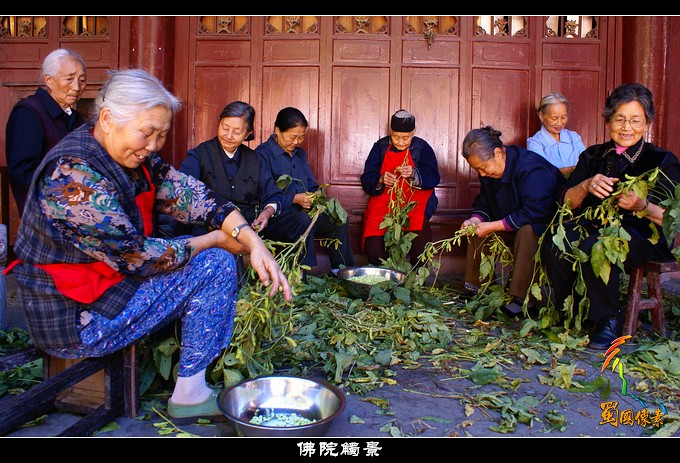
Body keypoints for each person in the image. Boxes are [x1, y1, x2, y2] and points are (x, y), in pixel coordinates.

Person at [9, 68, 292, 420]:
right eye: (147, 133)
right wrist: (217, 239)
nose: (154, 146)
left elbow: (197, 197)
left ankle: (190, 385)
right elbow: (139, 257)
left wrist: (251, 240)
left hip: (106, 289)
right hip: (71, 316)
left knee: (216, 250)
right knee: (216, 261)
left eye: (161, 135)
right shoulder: (72, 175)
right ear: (109, 119)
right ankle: (191, 393)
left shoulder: (130, 157)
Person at [540, 83, 680, 350]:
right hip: (594, 225)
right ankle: (573, 312)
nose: (626, 127)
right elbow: (564, 204)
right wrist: (584, 186)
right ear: (608, 120)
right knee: (556, 243)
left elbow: (672, 218)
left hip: (644, 236)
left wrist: (641, 205)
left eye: (635, 120)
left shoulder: (661, 161)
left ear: (647, 122)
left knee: (600, 246)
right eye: (619, 119)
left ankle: (608, 320)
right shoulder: (593, 155)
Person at [460, 126, 561, 317]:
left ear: (497, 153)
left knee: (528, 231)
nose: (481, 174)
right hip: (510, 223)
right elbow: (485, 203)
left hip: (543, 228)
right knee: (475, 229)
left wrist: (495, 226)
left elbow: (536, 212)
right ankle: (477, 288)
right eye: (477, 170)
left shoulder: (531, 168)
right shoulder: (491, 173)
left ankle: (522, 299)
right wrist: (475, 219)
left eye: (482, 167)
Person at [256, 107, 356, 274]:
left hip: (304, 213)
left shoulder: (299, 154)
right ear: (277, 131)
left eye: (301, 137)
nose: (296, 142)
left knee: (337, 219)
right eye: (292, 137)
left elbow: (310, 184)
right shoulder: (262, 154)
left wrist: (316, 195)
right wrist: (294, 199)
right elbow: (264, 193)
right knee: (302, 220)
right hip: (276, 218)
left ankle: (343, 271)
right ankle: (301, 276)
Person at [177, 101, 284, 237]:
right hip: (209, 228)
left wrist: (267, 212)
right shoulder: (200, 154)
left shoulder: (255, 159)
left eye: (237, 132)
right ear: (219, 122)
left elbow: (272, 193)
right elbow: (181, 191)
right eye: (225, 128)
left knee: (298, 221)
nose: (229, 136)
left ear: (247, 134)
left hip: (249, 226)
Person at [6, 48, 88, 216]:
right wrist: (65, 195)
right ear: (49, 81)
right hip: (44, 213)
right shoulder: (29, 112)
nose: (77, 87)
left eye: (82, 80)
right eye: (69, 79)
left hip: (74, 210)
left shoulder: (76, 118)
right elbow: (23, 173)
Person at [360, 109, 440, 267]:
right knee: (373, 246)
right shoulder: (381, 147)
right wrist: (381, 179)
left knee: (420, 230)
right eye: (396, 137)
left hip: (413, 203)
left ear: (413, 133)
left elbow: (434, 176)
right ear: (391, 131)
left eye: (406, 138)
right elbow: (367, 177)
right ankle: (382, 273)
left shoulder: (422, 148)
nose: (401, 142)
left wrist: (414, 174)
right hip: (385, 202)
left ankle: (416, 276)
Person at [526, 92, 586, 178]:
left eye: (563, 117)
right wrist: (571, 170)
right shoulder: (535, 143)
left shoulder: (574, 138)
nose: (559, 123)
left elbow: (587, 166)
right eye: (554, 118)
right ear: (541, 115)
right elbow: (543, 174)